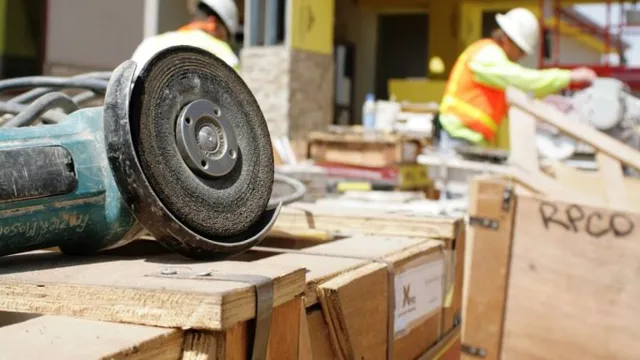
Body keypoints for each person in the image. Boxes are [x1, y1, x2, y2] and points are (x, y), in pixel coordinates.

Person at [437, 7, 598, 152]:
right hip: (457, 137)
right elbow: (522, 80)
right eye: (521, 51)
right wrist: (569, 77)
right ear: (507, 40)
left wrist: (545, 109)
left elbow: (514, 101)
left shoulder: (496, 66)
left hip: (469, 138)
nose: (522, 57)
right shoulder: (486, 55)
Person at [131, 0, 240, 72]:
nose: (225, 41)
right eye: (226, 36)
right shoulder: (222, 52)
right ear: (213, 23)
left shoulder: (151, 43)